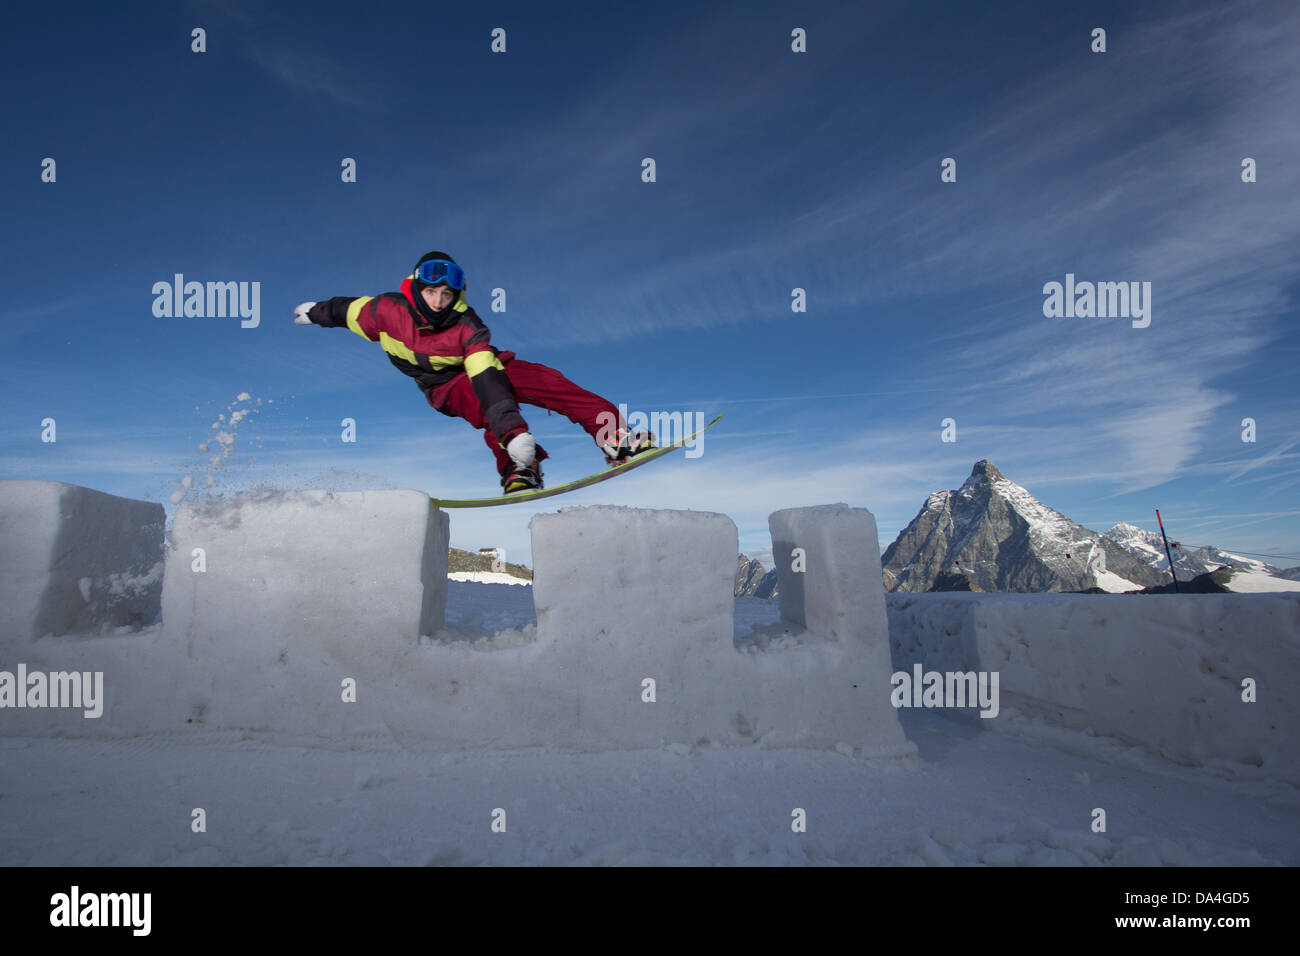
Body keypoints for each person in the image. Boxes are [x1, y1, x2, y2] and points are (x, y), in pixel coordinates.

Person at [293, 251, 653, 493]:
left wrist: (513, 429)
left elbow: (488, 380)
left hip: (485, 367)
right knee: (479, 406)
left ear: (457, 295)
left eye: (447, 295)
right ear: (416, 287)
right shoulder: (383, 311)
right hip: (444, 387)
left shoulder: (468, 326)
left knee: (548, 380)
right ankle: (520, 468)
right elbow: (342, 310)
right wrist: (314, 313)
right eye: (432, 292)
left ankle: (615, 438)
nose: (438, 302)